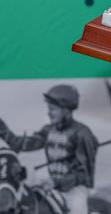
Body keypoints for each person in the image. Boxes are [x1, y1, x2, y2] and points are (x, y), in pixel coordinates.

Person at [0, 84, 98, 214]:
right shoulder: (48, 130)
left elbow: (85, 175)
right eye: (48, 108)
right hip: (52, 185)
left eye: (52, 109)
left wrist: (58, 182)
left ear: (66, 110)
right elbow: (20, 144)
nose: (48, 112)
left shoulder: (83, 134)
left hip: (74, 190)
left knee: (76, 209)